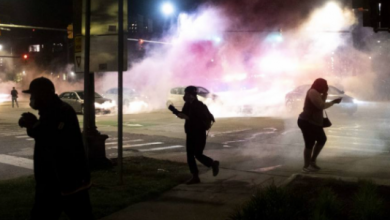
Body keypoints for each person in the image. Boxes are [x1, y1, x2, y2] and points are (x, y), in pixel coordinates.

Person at [18, 77, 93, 220]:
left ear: (43, 94)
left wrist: (34, 125)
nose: (32, 99)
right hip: (51, 180)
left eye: (34, 95)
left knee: (81, 215)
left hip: (67, 179)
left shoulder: (61, 111)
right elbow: (42, 134)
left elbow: (51, 138)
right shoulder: (49, 111)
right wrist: (32, 125)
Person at [171, 86, 219, 184]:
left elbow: (185, 116)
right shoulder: (188, 105)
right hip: (190, 132)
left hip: (199, 133)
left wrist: (174, 110)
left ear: (192, 95)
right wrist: (175, 111)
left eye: (187, 94)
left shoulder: (198, 105)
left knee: (197, 154)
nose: (185, 96)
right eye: (185, 94)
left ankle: (212, 164)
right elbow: (183, 115)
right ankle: (195, 176)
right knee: (190, 155)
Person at [297, 78, 342, 173]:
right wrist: (333, 102)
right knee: (309, 144)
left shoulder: (316, 92)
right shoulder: (312, 92)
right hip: (307, 121)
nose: (325, 88)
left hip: (314, 122)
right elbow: (321, 106)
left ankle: (312, 162)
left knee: (322, 139)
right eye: (324, 86)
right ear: (319, 85)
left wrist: (325, 95)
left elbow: (320, 103)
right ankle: (306, 166)